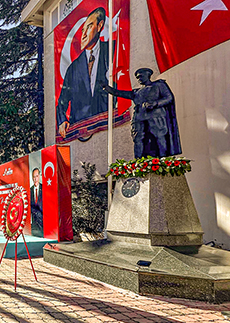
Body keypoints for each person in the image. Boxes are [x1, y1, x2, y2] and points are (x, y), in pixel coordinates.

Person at [103, 67, 181, 158]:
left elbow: (169, 97)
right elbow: (118, 93)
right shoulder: (136, 92)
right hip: (139, 118)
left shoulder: (158, 85)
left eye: (141, 76)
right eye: (137, 77)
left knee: (159, 137)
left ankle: (163, 161)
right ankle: (139, 163)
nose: (139, 79)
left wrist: (156, 103)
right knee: (138, 139)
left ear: (148, 75)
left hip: (156, 116)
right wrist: (106, 88)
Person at [56, 7, 109, 138]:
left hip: (108, 122)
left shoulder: (111, 51)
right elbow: (62, 100)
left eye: (89, 27)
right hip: (81, 128)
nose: (84, 34)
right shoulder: (73, 68)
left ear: (100, 25)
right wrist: (62, 120)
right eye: (82, 30)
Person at [30, 168, 44, 237]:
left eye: (36, 176)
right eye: (33, 177)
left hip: (42, 221)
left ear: (39, 176)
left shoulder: (44, 188)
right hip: (34, 222)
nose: (35, 178)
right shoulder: (30, 190)